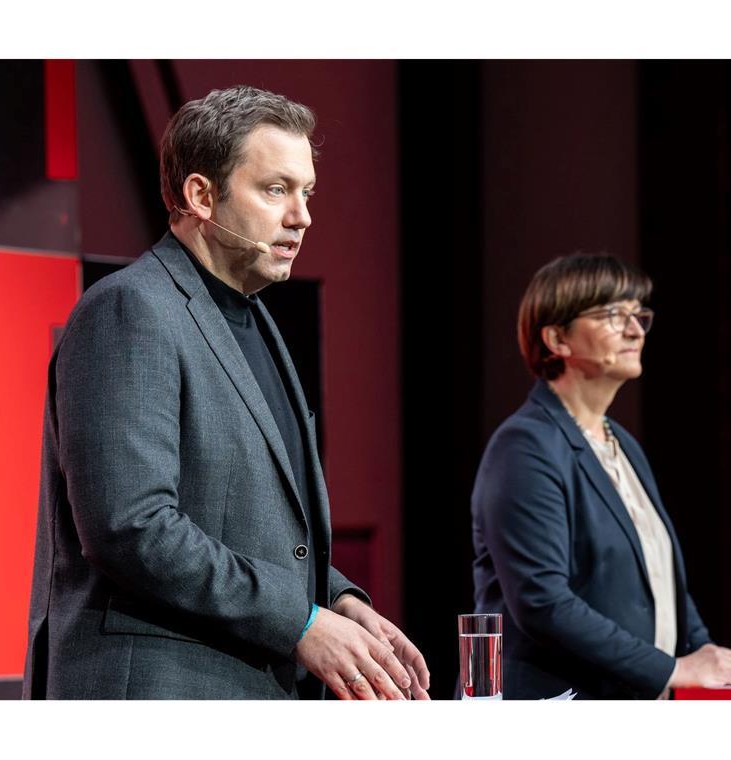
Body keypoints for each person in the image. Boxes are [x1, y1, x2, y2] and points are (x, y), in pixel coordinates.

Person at [23, 85, 429, 700]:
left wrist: (336, 597)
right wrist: (299, 621)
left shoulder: (256, 318)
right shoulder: (130, 310)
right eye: (276, 190)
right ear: (201, 196)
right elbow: (130, 527)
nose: (302, 216)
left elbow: (248, 521)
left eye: (306, 192)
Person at [470, 254, 731, 699]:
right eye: (611, 315)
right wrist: (671, 670)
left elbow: (662, 579)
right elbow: (543, 602)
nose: (635, 329)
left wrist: (706, 653)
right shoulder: (525, 445)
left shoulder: (623, 445)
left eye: (638, 314)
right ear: (556, 338)